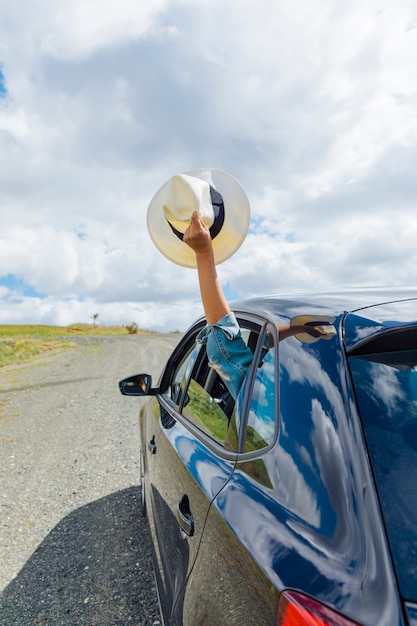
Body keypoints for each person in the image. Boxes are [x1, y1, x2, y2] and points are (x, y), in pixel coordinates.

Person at [183, 210, 329, 400]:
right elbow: (261, 344)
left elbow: (223, 344)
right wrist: (299, 328)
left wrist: (203, 253)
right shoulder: (300, 405)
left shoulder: (259, 400)